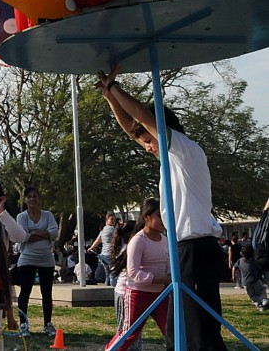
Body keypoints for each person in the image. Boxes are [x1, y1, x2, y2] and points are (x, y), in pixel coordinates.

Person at [97, 69, 228, 351]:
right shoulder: (168, 160)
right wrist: (110, 99)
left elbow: (145, 118)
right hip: (182, 250)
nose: (146, 147)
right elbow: (134, 130)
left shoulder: (184, 150)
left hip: (198, 250)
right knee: (178, 332)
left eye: (149, 139)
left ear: (162, 129)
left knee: (200, 333)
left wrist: (116, 87)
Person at [105, 199, 171, 351]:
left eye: (164, 215)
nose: (163, 219)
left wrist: (169, 278)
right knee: (129, 334)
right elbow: (133, 272)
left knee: (172, 331)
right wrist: (158, 279)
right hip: (138, 295)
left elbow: (168, 266)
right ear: (146, 217)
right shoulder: (138, 240)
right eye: (158, 215)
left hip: (161, 296)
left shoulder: (166, 241)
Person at [15, 186, 59, 337]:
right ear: (25, 200)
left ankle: (47, 324)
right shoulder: (22, 217)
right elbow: (23, 236)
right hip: (27, 258)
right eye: (29, 196)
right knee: (25, 292)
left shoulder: (48, 215)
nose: (32, 199)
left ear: (39, 199)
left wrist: (35, 233)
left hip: (46, 259)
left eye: (35, 196)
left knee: (47, 293)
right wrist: (43, 234)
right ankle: (23, 325)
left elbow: (54, 233)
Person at [109, 220, 143, 351]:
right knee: (127, 332)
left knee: (130, 330)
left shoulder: (123, 247)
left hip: (123, 292)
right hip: (125, 293)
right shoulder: (129, 248)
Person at [89, 213, 119, 286]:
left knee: (107, 273)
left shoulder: (102, 230)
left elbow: (98, 240)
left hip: (103, 255)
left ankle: (107, 285)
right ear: (106, 220)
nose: (113, 221)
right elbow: (118, 238)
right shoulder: (112, 229)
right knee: (113, 272)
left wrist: (91, 248)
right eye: (111, 219)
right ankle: (113, 287)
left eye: (114, 219)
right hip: (110, 253)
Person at [238, 243, 269, 311]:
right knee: (261, 290)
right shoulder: (254, 261)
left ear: (241, 253)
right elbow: (260, 268)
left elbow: (234, 268)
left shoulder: (240, 261)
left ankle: (259, 305)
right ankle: (264, 299)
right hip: (255, 280)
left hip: (245, 282)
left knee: (252, 295)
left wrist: (233, 276)